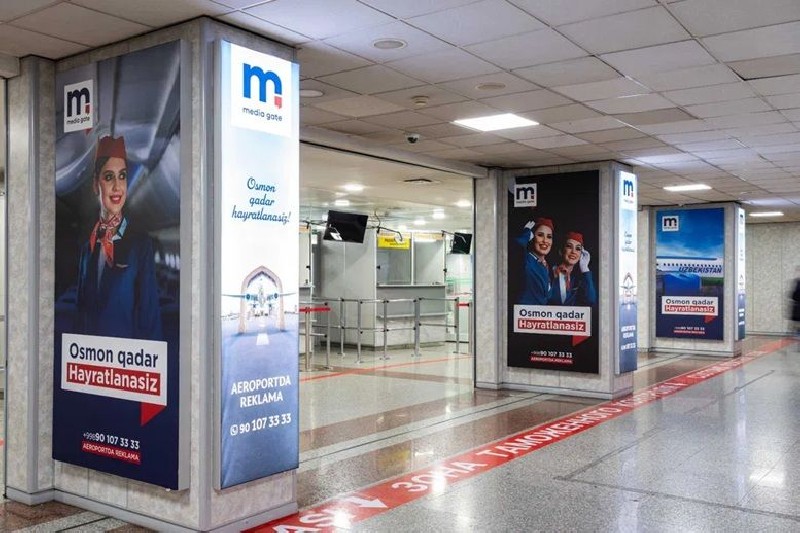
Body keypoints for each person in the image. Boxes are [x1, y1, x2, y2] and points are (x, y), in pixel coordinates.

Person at [75, 135, 162, 340]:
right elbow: (80, 314)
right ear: (96, 185)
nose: (117, 186)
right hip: (91, 355)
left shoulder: (140, 245)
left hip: (125, 356)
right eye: (109, 177)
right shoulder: (88, 248)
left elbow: (150, 318)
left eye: (122, 176)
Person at [550, 231, 597, 306]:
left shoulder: (579, 278)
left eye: (578, 249)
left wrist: (584, 267)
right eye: (569, 246)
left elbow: (591, 301)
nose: (573, 252)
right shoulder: (549, 272)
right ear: (561, 251)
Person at [515, 217, 554, 305]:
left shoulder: (547, 267)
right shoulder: (525, 259)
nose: (545, 241)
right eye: (540, 235)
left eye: (549, 237)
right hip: (523, 312)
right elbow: (517, 245)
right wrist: (526, 233)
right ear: (532, 237)